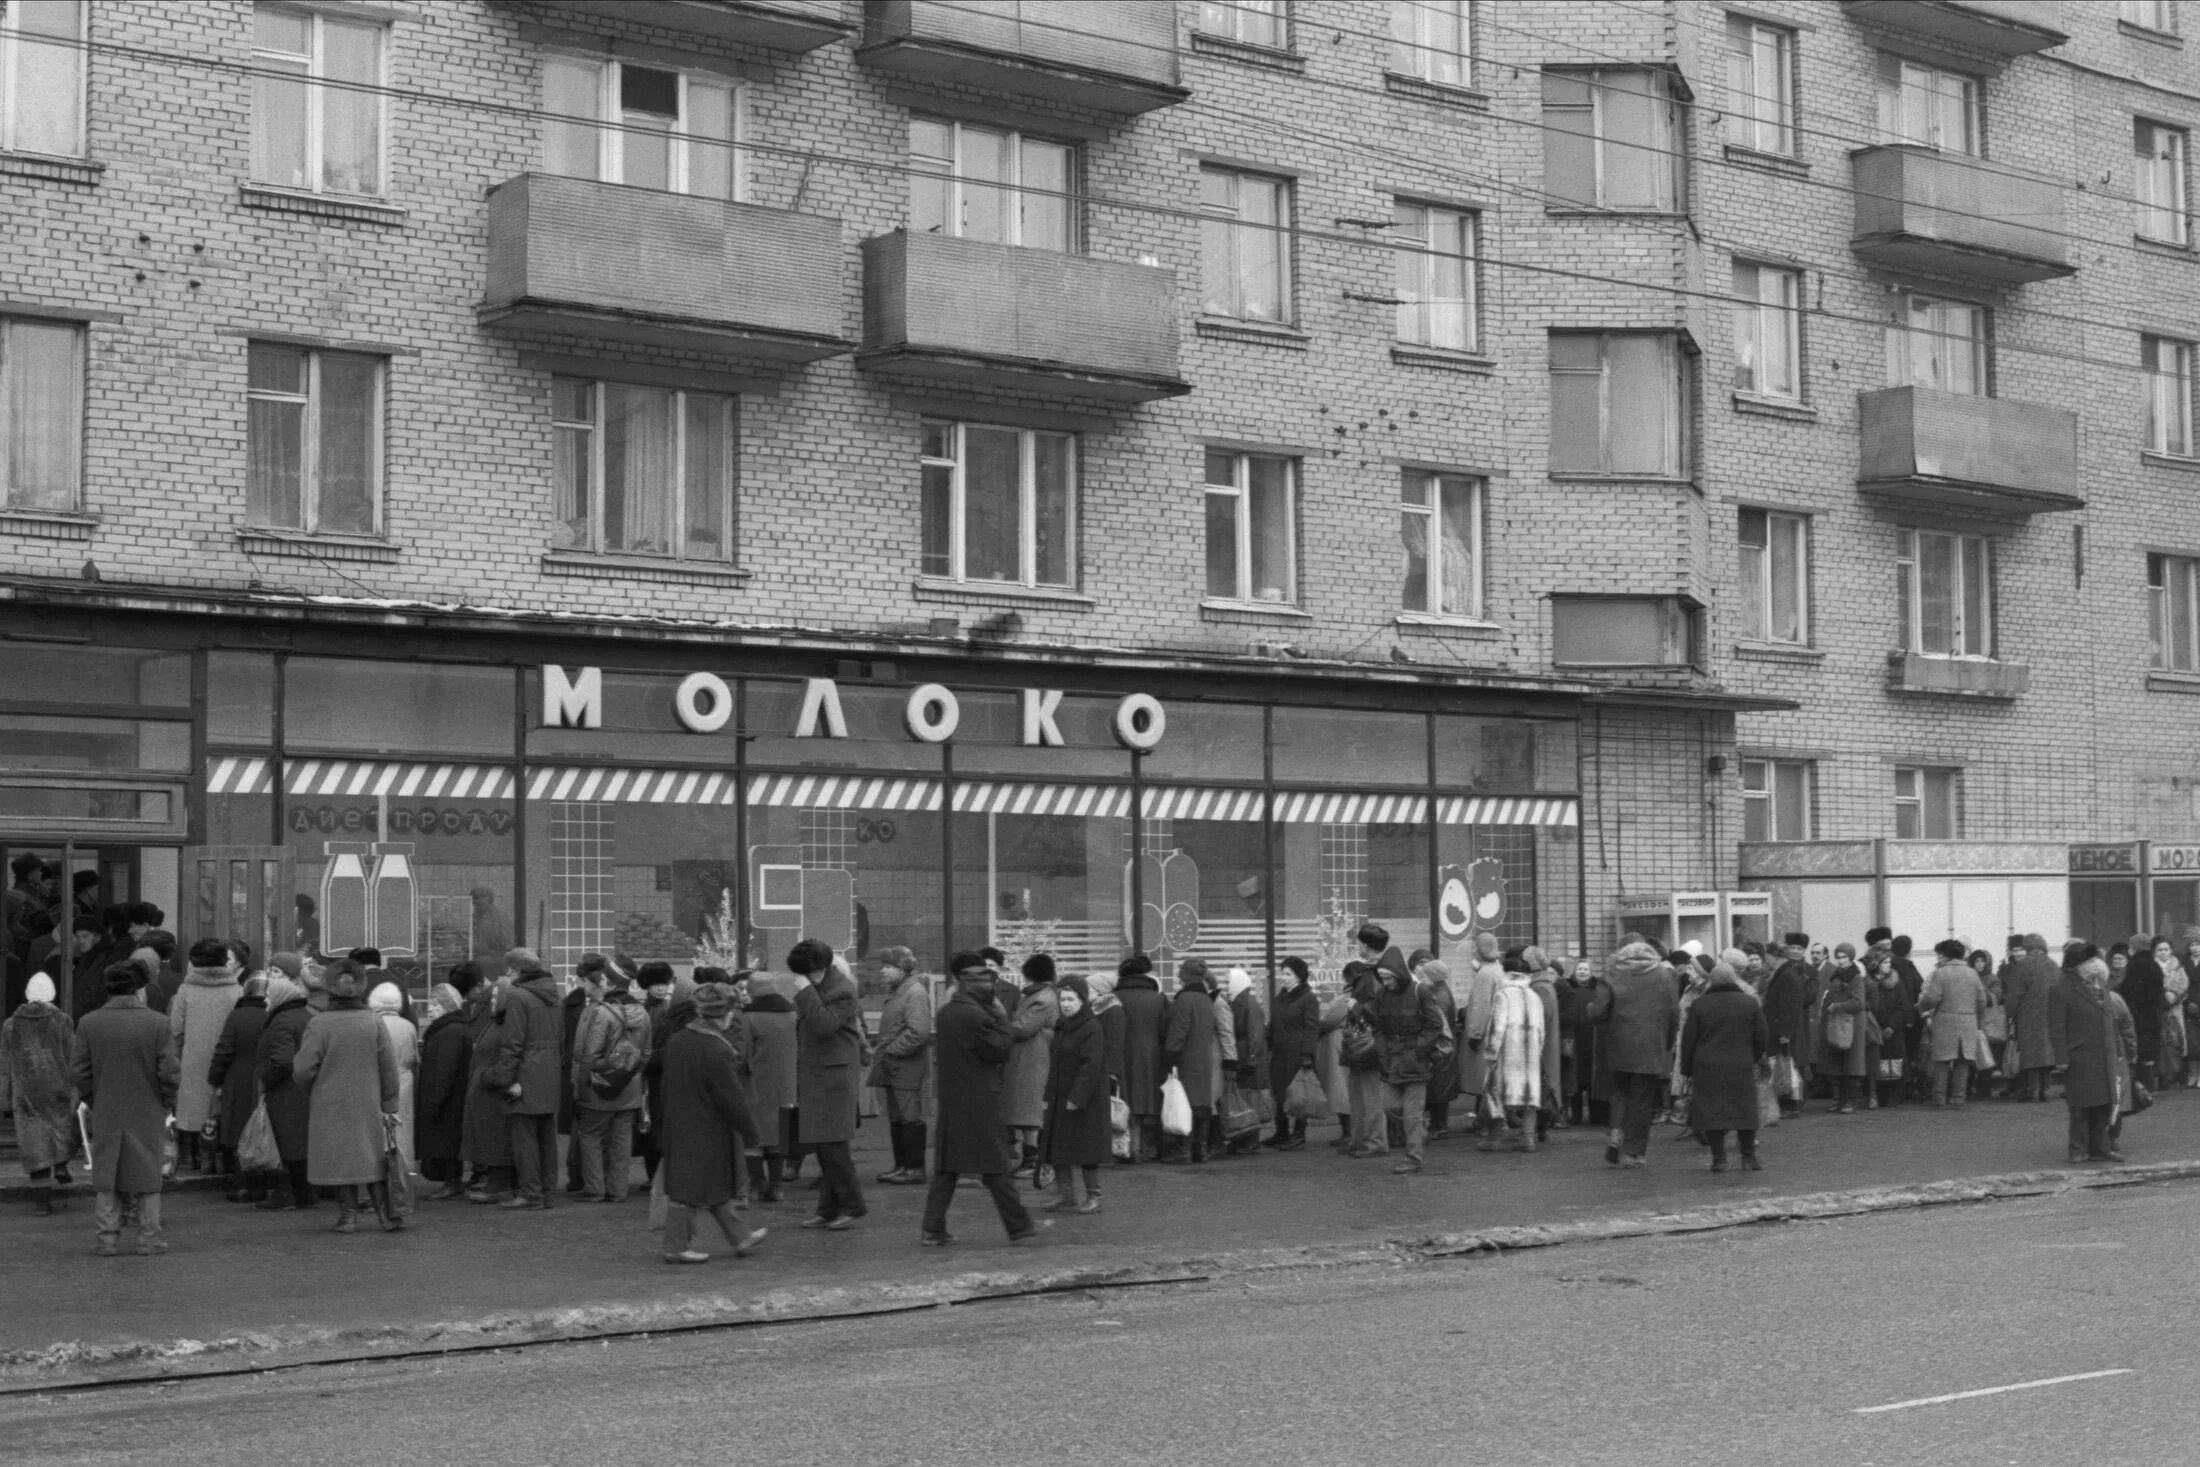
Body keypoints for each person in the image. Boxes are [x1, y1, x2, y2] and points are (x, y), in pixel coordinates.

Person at [921, 952, 1046, 1246]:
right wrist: (1001, 1017)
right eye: (982, 978)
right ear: (967, 981)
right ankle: (1019, 1226)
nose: (989, 984)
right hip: (979, 1099)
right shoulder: (976, 1015)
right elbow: (1001, 1047)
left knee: (947, 1168)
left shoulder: (948, 1011)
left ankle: (933, 1227)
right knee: (996, 1166)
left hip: (954, 1100)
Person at [72, 961, 179, 1255]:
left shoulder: (89, 1022)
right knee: (147, 1171)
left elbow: (79, 1071)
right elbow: (169, 1070)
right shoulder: (157, 1022)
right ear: (140, 987)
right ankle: (149, 1237)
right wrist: (167, 1100)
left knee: (107, 1172)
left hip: (106, 1104)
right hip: (148, 1105)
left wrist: (92, 1097)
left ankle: (106, 1239)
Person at [658, 981, 767, 1265]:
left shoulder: (678, 1040)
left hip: (678, 1121)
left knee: (712, 1184)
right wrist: (752, 1134)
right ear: (726, 1014)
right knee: (690, 1188)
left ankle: (741, 1237)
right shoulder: (717, 1049)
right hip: (708, 1126)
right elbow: (732, 1098)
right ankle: (675, 1246)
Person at [294, 957, 403, 1233]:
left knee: (341, 1158)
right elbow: (389, 1066)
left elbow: (303, 1069)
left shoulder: (320, 1024)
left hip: (329, 1101)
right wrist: (390, 1103)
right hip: (369, 1101)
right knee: (374, 1158)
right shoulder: (373, 1021)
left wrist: (314, 1089)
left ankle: (349, 1216)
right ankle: (385, 1215)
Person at [788, 938, 866, 1230]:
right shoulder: (821, 987)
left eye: (810, 974)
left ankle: (852, 1205)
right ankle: (828, 1208)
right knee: (824, 1147)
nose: (806, 979)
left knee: (834, 1148)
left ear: (823, 968)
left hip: (834, 1079)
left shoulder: (842, 990)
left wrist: (806, 992)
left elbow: (824, 1026)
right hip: (819, 1077)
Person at [1353, 946, 1450, 1174]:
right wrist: (1384, 1053)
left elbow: (1434, 1025)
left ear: (1398, 974)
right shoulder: (1383, 995)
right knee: (1389, 1106)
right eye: (1382, 978)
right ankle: (1420, 1134)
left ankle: (1414, 1157)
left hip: (1416, 1062)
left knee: (1411, 1115)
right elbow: (1378, 1027)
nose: (1385, 982)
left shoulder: (1420, 992)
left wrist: (1418, 1050)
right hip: (1394, 1061)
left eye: (1388, 978)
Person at [487, 953, 564, 1210]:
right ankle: (548, 1192)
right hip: (550, 1073)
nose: (507, 975)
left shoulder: (518, 997)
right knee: (546, 1138)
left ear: (516, 970)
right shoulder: (555, 996)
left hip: (526, 1074)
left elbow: (513, 1043)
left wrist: (504, 1079)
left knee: (524, 1137)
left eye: (509, 970)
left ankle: (530, 1193)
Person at [1679, 961, 1771, 1172]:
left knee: (1712, 1113)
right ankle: (1748, 1158)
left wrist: (1687, 1069)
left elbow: (1689, 1040)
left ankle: (1719, 1159)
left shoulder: (1701, 1004)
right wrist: (1754, 1057)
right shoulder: (1749, 1003)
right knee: (1744, 1111)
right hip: (1741, 1064)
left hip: (1707, 1066)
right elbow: (1762, 1036)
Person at [571, 960, 649, 1203]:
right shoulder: (643, 1012)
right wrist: (626, 1070)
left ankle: (595, 1188)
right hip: (630, 1087)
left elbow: (587, 1055)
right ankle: (618, 1190)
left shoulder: (600, 1012)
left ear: (608, 982)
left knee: (590, 1135)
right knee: (621, 1140)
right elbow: (646, 1053)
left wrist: (602, 1072)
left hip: (600, 1087)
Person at [1, 972, 77, 1215]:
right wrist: (77, 1088)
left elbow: (5, 1063)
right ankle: (62, 1163)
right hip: (57, 1086)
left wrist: (5, 1096)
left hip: (25, 1092)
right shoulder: (62, 1021)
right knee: (60, 1129)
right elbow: (72, 1057)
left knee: (33, 1143)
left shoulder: (10, 1025)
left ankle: (42, 1201)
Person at [1602, 941, 1678, 1168]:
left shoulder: (1614, 974)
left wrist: (1595, 1015)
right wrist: (1668, 1041)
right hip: (1651, 1046)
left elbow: (1600, 1009)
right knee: (1642, 1101)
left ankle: (1615, 1135)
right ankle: (1634, 1153)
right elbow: (1673, 1012)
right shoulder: (1664, 976)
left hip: (1620, 1043)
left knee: (1620, 1092)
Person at [1039, 974, 1111, 1213]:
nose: (1066, 1004)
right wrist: (1048, 1096)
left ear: (1082, 1001)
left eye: (1071, 999)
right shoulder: (1063, 1027)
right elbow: (1055, 1064)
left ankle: (1094, 1196)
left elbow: (1091, 1066)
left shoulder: (1091, 1027)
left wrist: (1076, 1098)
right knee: (1058, 1146)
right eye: (1063, 999)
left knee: (1086, 1148)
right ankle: (1066, 1194)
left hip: (1084, 1100)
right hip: (1060, 1096)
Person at [2052, 955, 2132, 1163]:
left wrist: (2119, 1054)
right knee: (2080, 1105)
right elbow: (2058, 1027)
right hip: (2081, 1055)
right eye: (2095, 977)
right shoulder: (2069, 993)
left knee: (2103, 1104)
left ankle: (2100, 1147)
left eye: (2100, 978)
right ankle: (2078, 1149)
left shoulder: (2107, 996)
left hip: (2103, 1055)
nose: (2099, 982)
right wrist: (2062, 1057)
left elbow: (2113, 1027)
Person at [867, 945, 932, 1185]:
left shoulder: (913, 992)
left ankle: (914, 1169)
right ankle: (902, 1166)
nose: (883, 971)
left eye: (889, 967)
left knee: (909, 1117)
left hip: (906, 1067)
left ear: (903, 968)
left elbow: (919, 1032)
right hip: (896, 1067)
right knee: (897, 1117)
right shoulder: (898, 991)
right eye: (883, 966)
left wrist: (892, 1051)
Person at [253, 972, 317, 1210]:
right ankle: (305, 1193)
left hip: (284, 1090)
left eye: (268, 996)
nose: (266, 1002)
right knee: (299, 1143)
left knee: (280, 1141)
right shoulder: (306, 1015)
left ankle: (283, 1194)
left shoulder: (282, 1020)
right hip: (303, 1089)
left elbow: (282, 1060)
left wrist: (265, 1082)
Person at [417, 963, 481, 1200]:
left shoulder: (449, 1032)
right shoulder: (453, 1029)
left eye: (436, 1004)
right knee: (448, 1141)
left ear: (446, 1006)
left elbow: (446, 1069)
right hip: (452, 1097)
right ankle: (451, 1181)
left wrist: (435, 1100)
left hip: (447, 1099)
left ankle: (452, 1182)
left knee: (446, 1142)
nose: (431, 1009)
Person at [207, 972, 269, 1202]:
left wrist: (215, 1078)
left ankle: (240, 1185)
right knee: (261, 1131)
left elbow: (224, 1049)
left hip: (237, 1078)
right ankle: (261, 1185)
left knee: (237, 1130)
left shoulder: (237, 1016)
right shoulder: (272, 1014)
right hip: (264, 1079)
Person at [740, 972, 798, 1201]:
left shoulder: (748, 1017)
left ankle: (758, 1182)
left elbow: (742, 1053)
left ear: (753, 990)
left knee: (753, 1137)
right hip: (786, 1084)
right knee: (778, 1136)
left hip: (755, 1085)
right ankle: (776, 1185)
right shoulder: (792, 1014)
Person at [461, 967, 516, 1204]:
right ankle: (495, 1182)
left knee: (496, 1139)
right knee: (487, 1137)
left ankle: (499, 1185)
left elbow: (509, 1056)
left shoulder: (506, 1024)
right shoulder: (496, 1022)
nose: (491, 1000)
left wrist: (488, 1077)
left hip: (494, 1092)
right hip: (485, 1092)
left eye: (495, 997)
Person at [1003, 954, 1060, 1176]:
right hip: (1029, 1059)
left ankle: (1033, 1161)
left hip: (1033, 1060)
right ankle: (1032, 1158)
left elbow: (1023, 1028)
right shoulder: (1040, 996)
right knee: (1028, 1112)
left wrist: (1000, 1024)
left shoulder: (1041, 999)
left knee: (1030, 1113)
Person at [1482, 954, 1544, 1153]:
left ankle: (1494, 1138)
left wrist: (1491, 1053)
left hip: (1508, 1054)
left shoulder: (1503, 995)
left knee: (1495, 1092)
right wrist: (1538, 1051)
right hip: (1531, 1054)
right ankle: (1528, 1138)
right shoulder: (1534, 996)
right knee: (1529, 1096)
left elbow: (1497, 1028)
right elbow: (1542, 1030)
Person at [1161, 956, 1221, 1163]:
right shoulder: (1206, 999)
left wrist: (1169, 1057)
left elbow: (1179, 1032)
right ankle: (1200, 1150)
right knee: (1202, 1104)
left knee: (1184, 1103)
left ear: (1184, 976)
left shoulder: (1184, 999)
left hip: (1186, 1060)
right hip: (1204, 1059)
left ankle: (1183, 1151)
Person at [1917, 938, 1989, 1108]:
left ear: (1946, 955)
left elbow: (1932, 998)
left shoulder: (1940, 973)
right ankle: (1958, 1098)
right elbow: (1981, 1000)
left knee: (1941, 1061)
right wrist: (1978, 1020)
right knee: (1963, 1062)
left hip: (1945, 1021)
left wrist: (1921, 1007)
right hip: (1968, 1021)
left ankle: (1939, 1098)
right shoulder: (1972, 974)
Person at [1264, 956, 1321, 1150]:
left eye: (1288, 974)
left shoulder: (1308, 998)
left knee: (1298, 1093)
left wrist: (1308, 1054)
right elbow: (1273, 1024)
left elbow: (1312, 1028)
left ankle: (1298, 1135)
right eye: (1283, 973)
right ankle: (1281, 1132)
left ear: (1299, 976)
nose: (1283, 977)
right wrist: (1266, 1043)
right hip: (1279, 1052)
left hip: (1297, 1054)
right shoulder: (1280, 997)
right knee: (1279, 1092)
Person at [1114, 955, 1166, 1163]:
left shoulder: (1114, 998)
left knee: (1124, 1100)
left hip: (1122, 1056)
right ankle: (1147, 1148)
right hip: (1152, 1057)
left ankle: (1128, 1148)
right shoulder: (1159, 999)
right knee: (1150, 1101)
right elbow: (1165, 1031)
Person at [1408, 951, 1461, 1140]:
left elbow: (1436, 1024)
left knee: (1439, 1089)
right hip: (1442, 1051)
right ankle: (1438, 1124)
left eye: (1424, 975)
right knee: (1438, 1088)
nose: (1421, 977)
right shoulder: (1440, 992)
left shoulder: (1439, 997)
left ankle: (1440, 1125)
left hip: (1439, 1051)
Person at [2001, 934, 2060, 1101]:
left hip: (2028, 1016)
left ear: (2027, 947)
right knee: (2047, 1053)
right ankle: (2045, 1089)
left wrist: (2010, 1014)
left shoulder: (2022, 966)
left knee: (2030, 1053)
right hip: (2050, 1015)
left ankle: (2032, 1089)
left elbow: (2013, 995)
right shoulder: (2054, 965)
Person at [369, 982, 419, 1171]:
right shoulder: (408, 1026)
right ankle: (404, 1170)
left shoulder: (373, 1025)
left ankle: (379, 1170)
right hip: (404, 1080)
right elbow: (414, 1056)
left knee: (380, 1128)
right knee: (403, 1126)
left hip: (379, 1079)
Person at [1760, 939, 1813, 1119]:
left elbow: (1789, 1007)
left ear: (1774, 956)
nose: (1765, 960)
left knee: (1789, 1067)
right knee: (1784, 1066)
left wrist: (1785, 1033)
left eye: (1767, 956)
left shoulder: (1786, 976)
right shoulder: (1784, 973)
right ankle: (1788, 1101)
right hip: (1781, 1028)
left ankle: (1793, 1103)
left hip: (1784, 1030)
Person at [1815, 944, 1871, 1113]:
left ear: (1850, 957)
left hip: (1850, 1025)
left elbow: (1858, 1003)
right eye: (1838, 957)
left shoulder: (1855, 977)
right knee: (1837, 1064)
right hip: (1837, 1024)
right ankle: (1840, 1100)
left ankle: (1851, 1101)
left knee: (1851, 1064)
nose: (1840, 960)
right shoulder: (1836, 975)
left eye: (1843, 957)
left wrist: (1837, 1006)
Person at [1220, 967, 1267, 1156]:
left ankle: (1250, 1140)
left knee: (1248, 1099)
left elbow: (1256, 1035)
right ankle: (1244, 1139)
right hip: (1244, 1055)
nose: (1226, 986)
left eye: (1227, 982)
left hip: (1247, 1058)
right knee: (1243, 1099)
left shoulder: (1247, 1003)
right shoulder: (1241, 1001)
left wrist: (1251, 1058)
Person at [2121, 937, 2168, 1091]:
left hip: (2138, 1015)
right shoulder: (2155, 965)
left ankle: (2142, 1087)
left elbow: (2127, 989)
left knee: (2140, 1051)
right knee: (2150, 1052)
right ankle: (2150, 1086)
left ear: (2134, 948)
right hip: (2154, 1014)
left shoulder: (2136, 965)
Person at [2156, 937, 2189, 1091]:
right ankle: (2161, 1074)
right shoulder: (2152, 966)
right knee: (2160, 1039)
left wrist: (2174, 995)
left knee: (2174, 1038)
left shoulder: (2178, 966)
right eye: (2160, 949)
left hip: (2174, 1008)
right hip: (2157, 1008)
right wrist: (2162, 996)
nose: (2163, 952)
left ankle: (2172, 1073)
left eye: (2166, 949)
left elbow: (2184, 984)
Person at [469, 886, 513, 970]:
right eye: (475, 899)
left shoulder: (499, 917)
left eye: (481, 898)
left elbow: (507, 942)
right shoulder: (475, 917)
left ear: (489, 899)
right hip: (480, 956)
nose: (477, 901)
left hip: (496, 958)